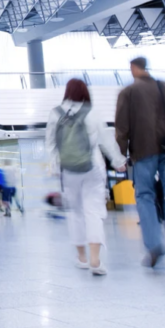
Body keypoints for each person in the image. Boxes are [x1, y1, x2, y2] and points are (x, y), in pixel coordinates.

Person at [115, 56, 165, 270]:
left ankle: (153, 244)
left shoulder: (128, 93)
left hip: (143, 151)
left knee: (144, 195)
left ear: (133, 68)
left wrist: (120, 155)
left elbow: (122, 127)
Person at [47, 79, 127, 274]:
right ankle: (95, 259)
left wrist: (55, 166)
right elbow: (107, 140)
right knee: (93, 212)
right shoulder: (92, 112)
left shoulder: (55, 113)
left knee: (75, 213)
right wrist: (118, 161)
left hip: (68, 170)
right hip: (93, 167)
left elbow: (50, 144)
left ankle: (81, 257)